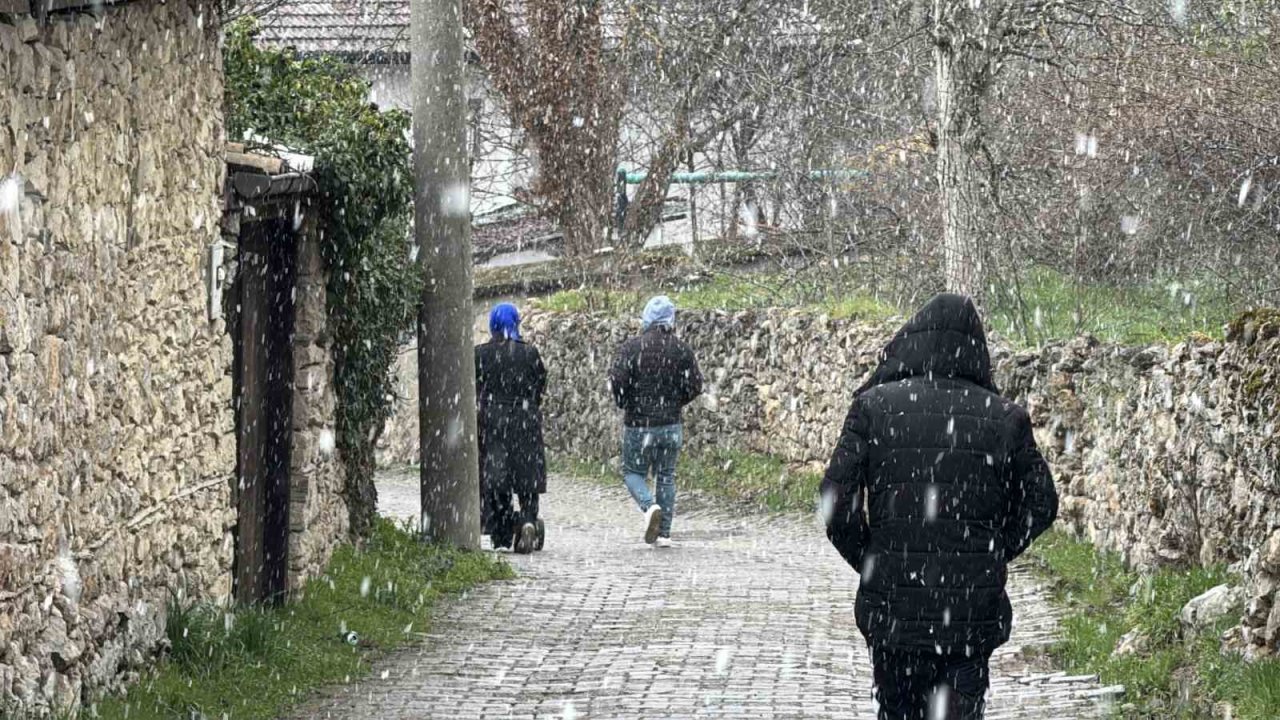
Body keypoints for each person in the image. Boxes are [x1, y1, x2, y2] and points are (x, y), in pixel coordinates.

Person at [821, 293, 1058, 720]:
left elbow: (836, 504)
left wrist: (874, 559)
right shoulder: (1004, 418)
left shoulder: (875, 408)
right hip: (968, 614)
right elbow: (1040, 503)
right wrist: (992, 551)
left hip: (895, 614)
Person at [608, 295, 703, 547]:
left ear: (647, 318)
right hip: (671, 424)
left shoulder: (632, 347)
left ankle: (650, 508)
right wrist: (675, 403)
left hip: (639, 425)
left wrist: (627, 403)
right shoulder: (681, 349)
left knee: (632, 472)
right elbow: (696, 385)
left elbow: (618, 382)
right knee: (667, 476)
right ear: (670, 320)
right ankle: (664, 534)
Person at [476, 303, 548, 554]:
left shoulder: (481, 354)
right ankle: (528, 519)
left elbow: (473, 389)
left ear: (493, 324)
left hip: (492, 421)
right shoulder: (529, 353)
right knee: (526, 474)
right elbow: (540, 385)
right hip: (525, 419)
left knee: (497, 479)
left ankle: (503, 534)